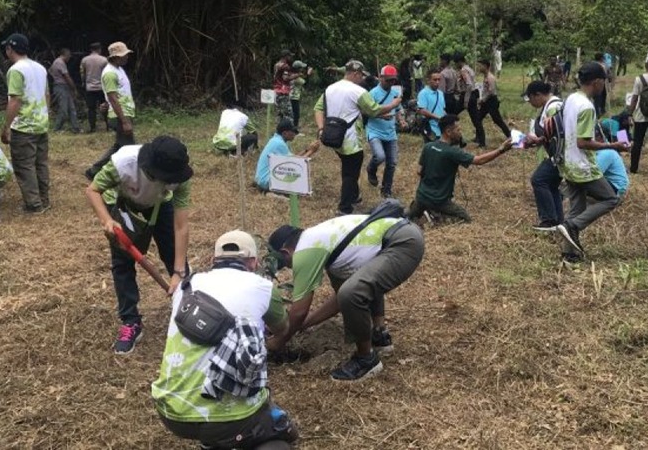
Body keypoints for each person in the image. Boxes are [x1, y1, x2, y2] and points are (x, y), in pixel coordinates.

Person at [151, 230, 299, 450]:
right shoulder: (263, 287)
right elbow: (283, 328)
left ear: (213, 261)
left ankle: (214, 441)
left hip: (170, 411)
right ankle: (227, 436)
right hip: (228, 419)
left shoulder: (185, 286)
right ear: (254, 262)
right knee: (283, 434)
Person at [266, 212, 425, 381]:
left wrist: (278, 341)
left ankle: (366, 359)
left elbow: (299, 312)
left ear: (285, 252)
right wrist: (304, 325)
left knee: (353, 292)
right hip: (403, 234)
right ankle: (379, 335)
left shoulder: (305, 250)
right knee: (358, 284)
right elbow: (339, 302)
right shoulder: (326, 244)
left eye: (285, 263)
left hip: (402, 243)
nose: (289, 268)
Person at [85, 135, 194, 354]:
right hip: (126, 205)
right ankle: (131, 321)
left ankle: (190, 310)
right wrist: (107, 220)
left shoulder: (179, 175)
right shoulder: (123, 163)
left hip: (161, 207)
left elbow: (181, 226)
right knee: (122, 262)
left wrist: (179, 270)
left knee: (174, 255)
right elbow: (92, 190)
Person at [554, 62, 630, 263]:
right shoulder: (587, 107)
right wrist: (613, 146)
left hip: (567, 163)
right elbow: (583, 142)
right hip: (583, 166)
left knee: (576, 208)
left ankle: (569, 253)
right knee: (611, 199)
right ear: (597, 82)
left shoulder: (571, 99)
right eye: (604, 82)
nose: (603, 86)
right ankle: (573, 227)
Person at [315, 60, 401, 215]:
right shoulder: (358, 91)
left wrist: (321, 128)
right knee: (350, 173)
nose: (362, 78)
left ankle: (354, 196)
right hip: (350, 139)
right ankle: (344, 208)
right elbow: (374, 110)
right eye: (361, 75)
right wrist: (393, 104)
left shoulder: (330, 89)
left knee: (347, 166)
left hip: (333, 136)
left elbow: (318, 108)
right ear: (355, 73)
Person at [406, 114, 512, 223]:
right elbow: (479, 160)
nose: (460, 132)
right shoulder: (453, 152)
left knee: (407, 216)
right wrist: (501, 150)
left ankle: (422, 211)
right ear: (448, 132)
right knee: (465, 218)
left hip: (421, 197)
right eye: (458, 129)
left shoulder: (428, 146)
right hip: (439, 200)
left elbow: (419, 171)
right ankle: (434, 216)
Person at [0, 33, 51, 213]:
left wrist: (6, 126)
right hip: (41, 123)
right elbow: (46, 95)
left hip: (24, 126)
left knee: (24, 165)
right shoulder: (40, 68)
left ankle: (33, 204)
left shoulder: (16, 70)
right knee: (41, 163)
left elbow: (15, 100)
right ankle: (44, 199)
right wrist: (46, 115)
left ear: (9, 49)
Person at [85, 42, 135, 180]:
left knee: (119, 146)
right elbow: (113, 97)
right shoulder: (110, 73)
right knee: (129, 150)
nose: (127, 57)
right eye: (125, 55)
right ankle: (122, 176)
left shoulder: (118, 69)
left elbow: (114, 95)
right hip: (119, 115)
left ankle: (94, 170)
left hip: (123, 113)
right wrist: (124, 121)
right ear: (117, 57)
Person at [523, 81, 564, 231]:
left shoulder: (554, 107)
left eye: (531, 99)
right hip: (556, 154)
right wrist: (537, 141)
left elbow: (559, 133)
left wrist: (539, 140)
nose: (531, 103)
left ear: (538, 95)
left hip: (559, 155)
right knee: (551, 185)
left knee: (538, 180)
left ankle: (548, 220)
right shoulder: (549, 106)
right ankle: (558, 222)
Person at [366, 65, 404, 198]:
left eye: (393, 80)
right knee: (380, 156)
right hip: (375, 130)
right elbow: (367, 113)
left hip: (390, 132)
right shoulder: (372, 94)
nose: (391, 83)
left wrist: (401, 120)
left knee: (392, 162)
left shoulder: (395, 93)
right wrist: (381, 115)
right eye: (388, 80)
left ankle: (386, 189)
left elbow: (398, 109)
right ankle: (371, 169)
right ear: (381, 78)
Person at [255, 119, 319, 193]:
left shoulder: (277, 140)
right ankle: (270, 192)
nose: (294, 134)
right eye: (292, 132)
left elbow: (293, 158)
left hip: (262, 179)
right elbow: (296, 163)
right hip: (266, 181)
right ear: (285, 133)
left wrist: (307, 150)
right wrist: (312, 151)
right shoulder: (279, 144)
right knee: (294, 173)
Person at [472, 59, 511, 148]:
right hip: (486, 101)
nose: (479, 67)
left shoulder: (490, 77)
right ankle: (480, 139)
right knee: (478, 118)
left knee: (497, 120)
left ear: (486, 66)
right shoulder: (485, 77)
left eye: (480, 66)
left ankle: (509, 135)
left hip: (491, 101)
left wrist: (483, 100)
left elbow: (492, 91)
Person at [49, 48, 81, 133]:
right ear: (65, 54)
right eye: (69, 55)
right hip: (61, 87)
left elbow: (50, 71)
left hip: (63, 86)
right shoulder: (60, 62)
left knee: (71, 108)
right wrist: (73, 88)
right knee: (64, 109)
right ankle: (57, 128)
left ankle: (75, 128)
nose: (69, 57)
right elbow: (67, 76)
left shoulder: (57, 62)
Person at [80, 42, 109, 133]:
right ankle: (108, 126)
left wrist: (83, 83)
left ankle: (92, 127)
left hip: (90, 88)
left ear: (91, 49)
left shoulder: (85, 60)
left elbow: (82, 74)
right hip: (101, 87)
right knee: (105, 107)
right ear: (99, 49)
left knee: (91, 109)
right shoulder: (104, 60)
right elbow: (107, 73)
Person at [416, 69, 446, 142]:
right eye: (435, 80)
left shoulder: (440, 93)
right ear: (428, 80)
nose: (437, 82)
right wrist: (437, 117)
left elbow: (443, 109)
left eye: (439, 80)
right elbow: (422, 111)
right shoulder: (423, 93)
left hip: (441, 129)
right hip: (430, 128)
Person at [273, 50, 299, 121]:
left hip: (276, 91)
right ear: (286, 56)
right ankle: (289, 130)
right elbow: (285, 78)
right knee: (288, 114)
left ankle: (279, 131)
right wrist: (296, 76)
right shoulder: (285, 66)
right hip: (283, 91)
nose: (291, 58)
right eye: (290, 56)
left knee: (279, 114)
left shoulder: (277, 65)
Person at [453, 52, 476, 128]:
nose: (456, 65)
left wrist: (466, 100)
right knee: (475, 118)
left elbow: (469, 85)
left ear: (459, 62)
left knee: (453, 113)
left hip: (466, 95)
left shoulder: (463, 70)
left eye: (456, 63)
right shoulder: (469, 68)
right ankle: (480, 138)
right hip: (473, 94)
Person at [289, 60, 311, 130]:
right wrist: (308, 74)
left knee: (292, 114)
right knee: (296, 114)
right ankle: (294, 129)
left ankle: (292, 127)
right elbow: (306, 83)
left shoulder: (291, 75)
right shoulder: (297, 78)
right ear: (298, 68)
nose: (302, 69)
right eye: (301, 68)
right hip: (294, 97)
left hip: (290, 96)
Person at [592, 53, 609, 117]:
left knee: (602, 96)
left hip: (598, 82)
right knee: (598, 97)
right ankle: (598, 111)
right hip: (600, 82)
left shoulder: (594, 64)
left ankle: (601, 109)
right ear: (601, 58)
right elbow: (605, 73)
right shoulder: (602, 65)